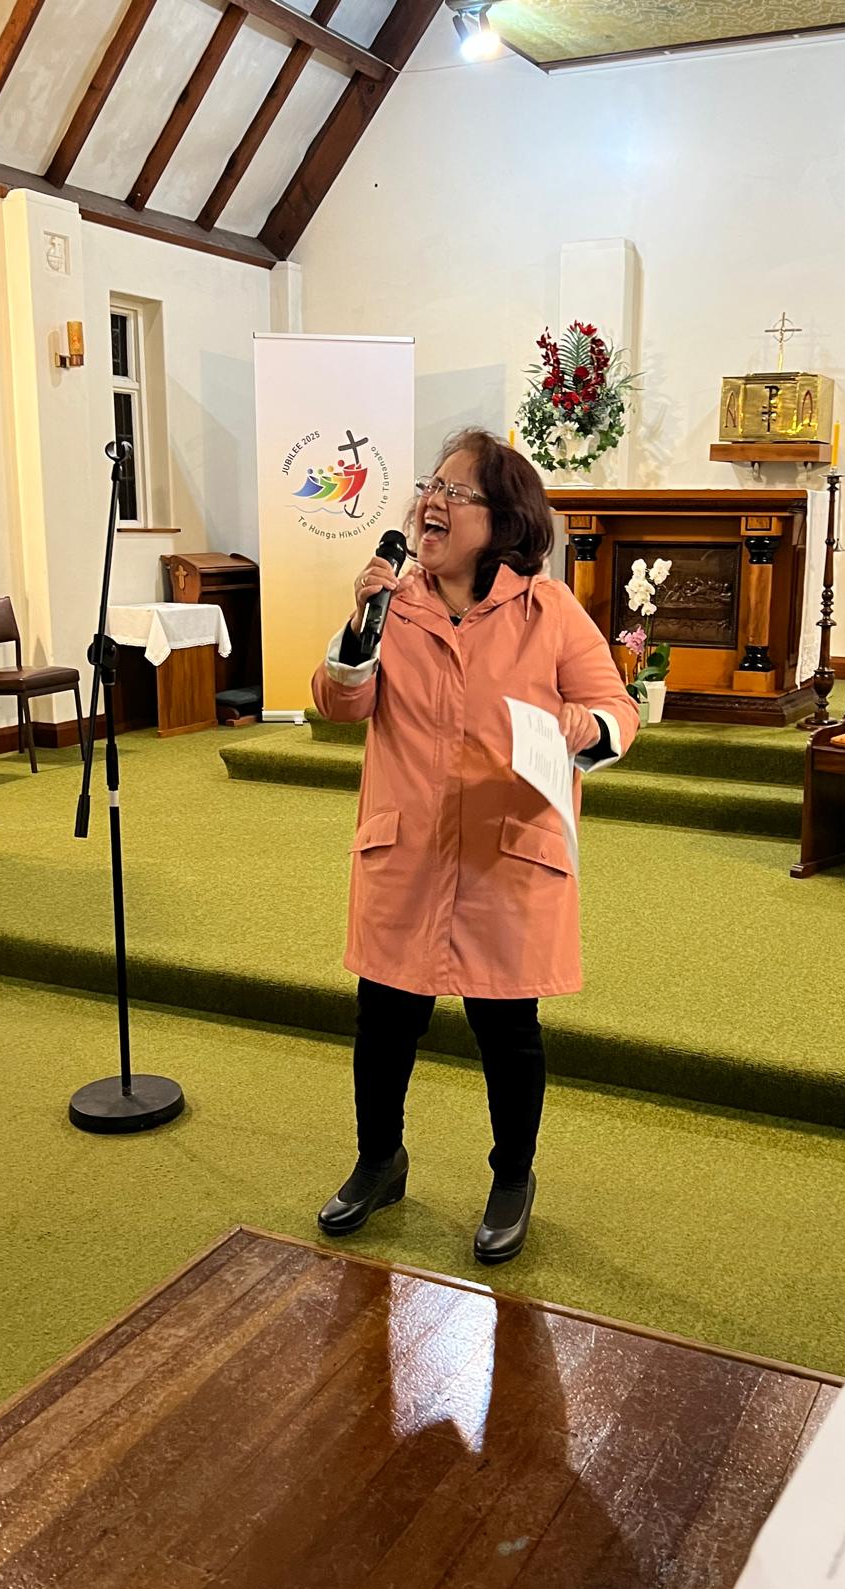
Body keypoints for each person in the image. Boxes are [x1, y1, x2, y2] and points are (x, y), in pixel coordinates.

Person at [311, 428, 639, 1264]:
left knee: (508, 1027)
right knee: (385, 1020)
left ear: (504, 520)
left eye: (455, 493)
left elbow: (617, 713)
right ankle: (379, 1162)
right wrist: (359, 626)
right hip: (409, 850)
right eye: (431, 486)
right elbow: (340, 706)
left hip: (507, 853)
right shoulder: (394, 605)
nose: (433, 502)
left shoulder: (548, 611)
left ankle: (512, 1178)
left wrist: (577, 726)